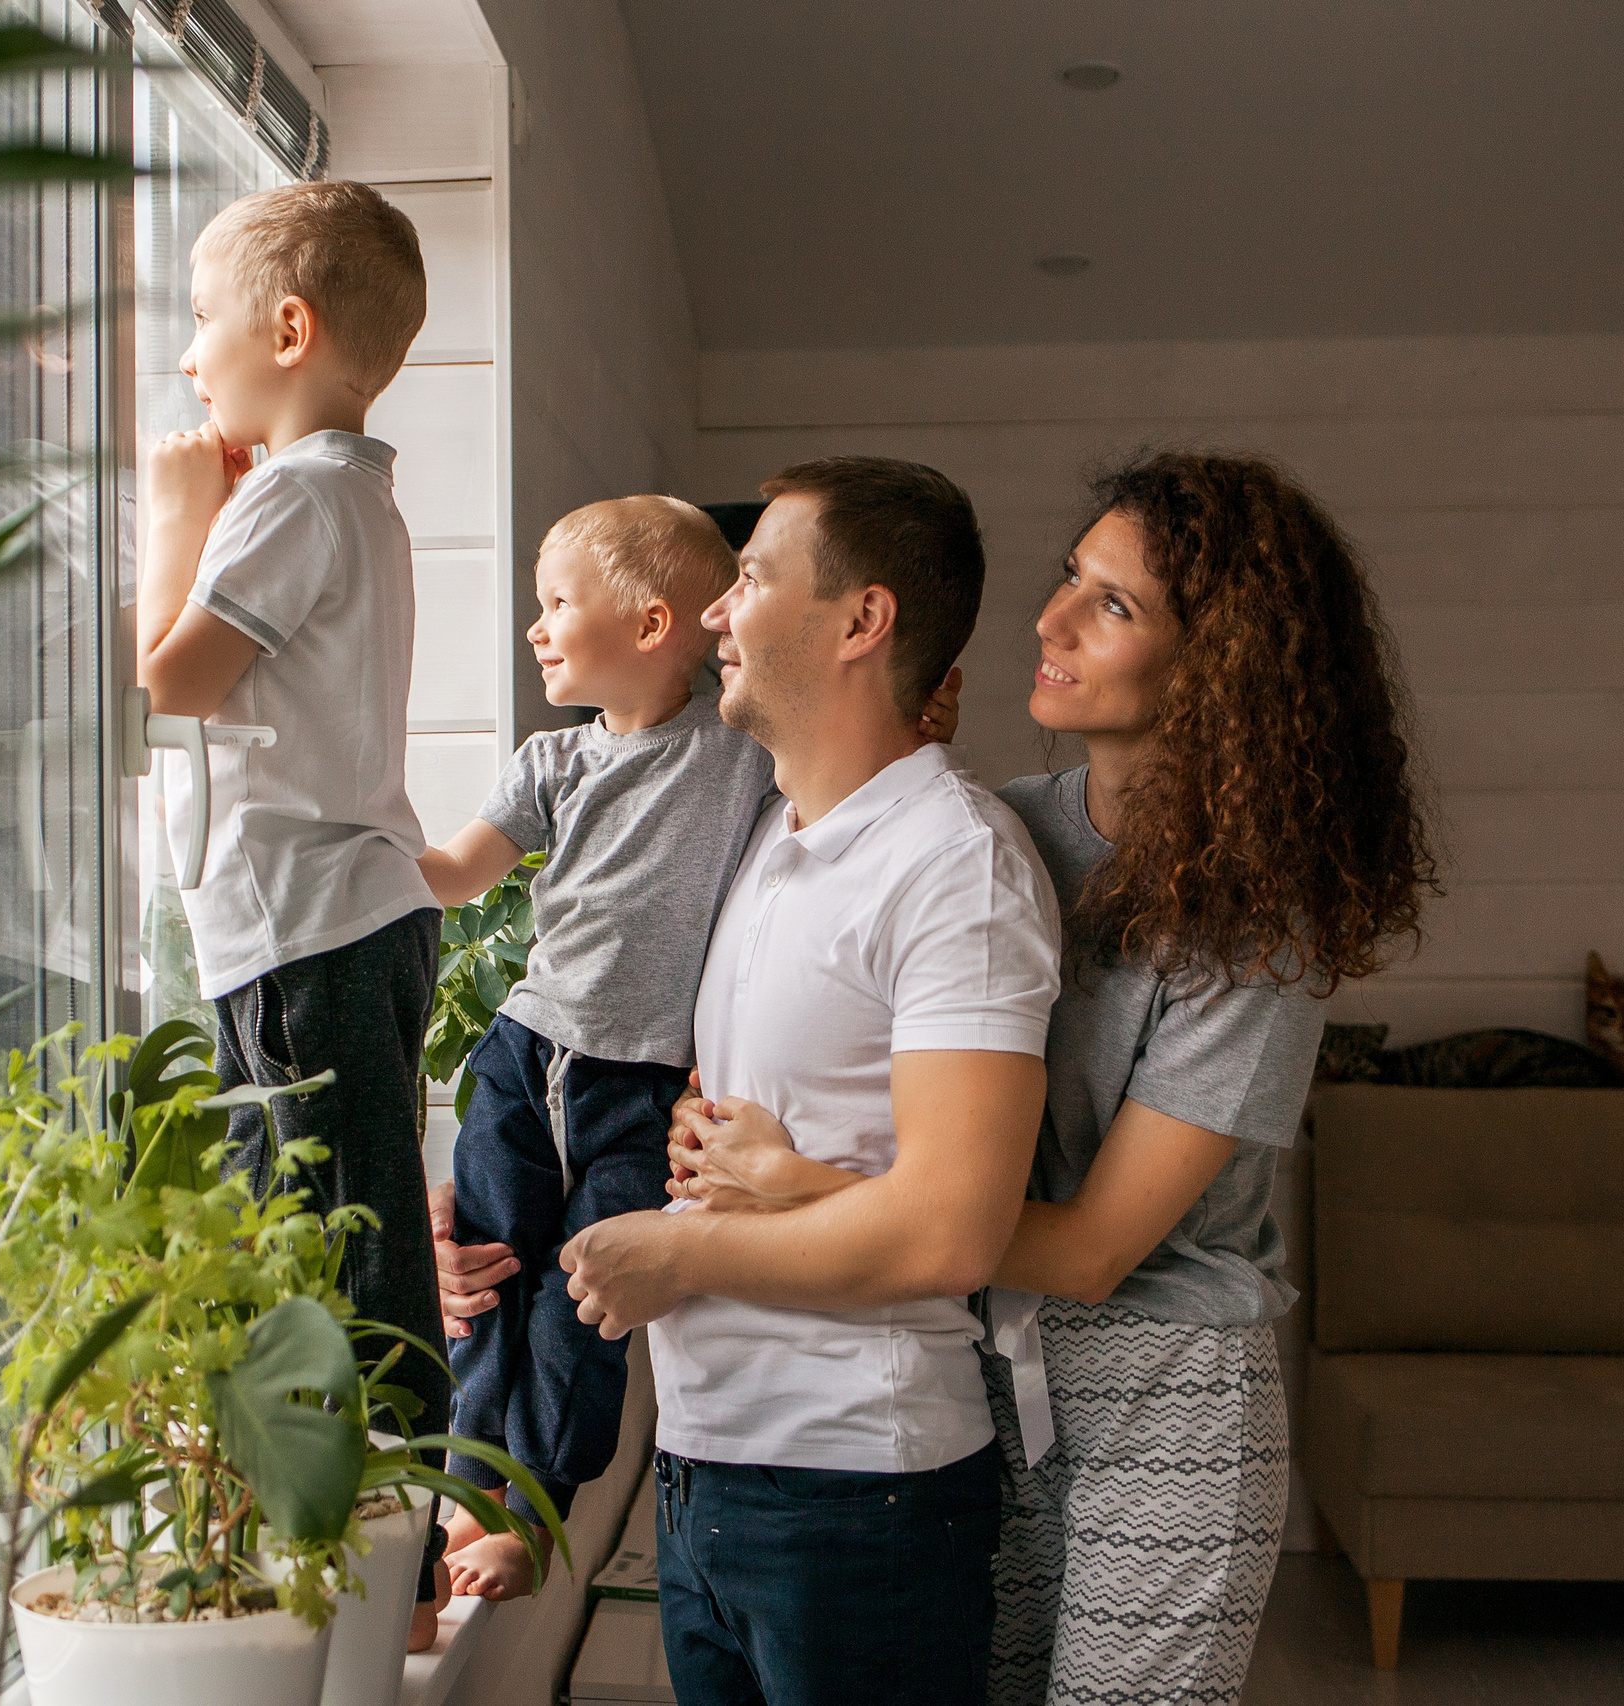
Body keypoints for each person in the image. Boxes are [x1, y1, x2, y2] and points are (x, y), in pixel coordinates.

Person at [661, 452, 1437, 1706]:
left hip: (1166, 1402)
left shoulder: (1257, 929)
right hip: (984, 1381)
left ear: (1217, 667)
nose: (1050, 618)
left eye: (1111, 605)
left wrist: (803, 1186)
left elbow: (1091, 1252)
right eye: (1071, 578)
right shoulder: (1002, 829)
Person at [540, 458, 1065, 1706]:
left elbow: (952, 1228)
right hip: (701, 1470)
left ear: (861, 620)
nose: (715, 611)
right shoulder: (762, 841)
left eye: (752, 578)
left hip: (855, 1496)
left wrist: (686, 1258)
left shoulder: (956, 865)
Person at [133, 179, 454, 1641]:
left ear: (286, 325)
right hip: (350, 912)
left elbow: (169, 680)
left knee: (332, 1254)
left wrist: (169, 514)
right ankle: (366, 1566)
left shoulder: (294, 494)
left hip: (305, 928)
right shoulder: (357, 495)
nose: (191, 357)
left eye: (202, 322)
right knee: (340, 1237)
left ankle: (373, 1574)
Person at [413, 497, 769, 1602]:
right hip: (523, 1050)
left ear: (655, 622)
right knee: (485, 1268)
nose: (537, 627)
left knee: (586, 1297)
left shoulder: (738, 750)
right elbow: (452, 876)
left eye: (557, 602)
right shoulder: (549, 759)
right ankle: (463, 1498)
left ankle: (533, 1511)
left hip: (638, 1076)